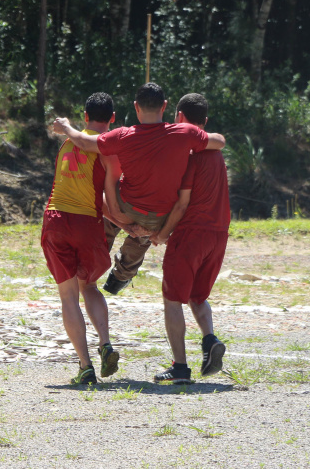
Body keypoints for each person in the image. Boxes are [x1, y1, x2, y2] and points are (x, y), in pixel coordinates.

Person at [52, 82, 226, 294]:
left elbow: (85, 142)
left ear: (136, 107)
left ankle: (92, 260)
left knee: (105, 198)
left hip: (126, 207)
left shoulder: (124, 135)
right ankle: (120, 277)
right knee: (144, 231)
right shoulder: (184, 133)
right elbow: (219, 141)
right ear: (164, 106)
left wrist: (66, 127)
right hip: (159, 217)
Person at [41, 92, 121, 385]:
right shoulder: (108, 151)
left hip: (56, 219)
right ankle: (105, 342)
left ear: (85, 116)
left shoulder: (66, 143)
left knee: (67, 295)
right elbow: (107, 202)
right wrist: (132, 226)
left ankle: (85, 366)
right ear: (112, 118)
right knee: (90, 285)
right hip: (87, 224)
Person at [149, 93, 229, 384]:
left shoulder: (191, 157)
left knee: (172, 299)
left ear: (180, 118)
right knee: (198, 295)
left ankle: (180, 367)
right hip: (219, 235)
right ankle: (209, 340)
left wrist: (162, 233)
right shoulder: (218, 155)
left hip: (191, 235)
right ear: (204, 122)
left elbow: (182, 204)